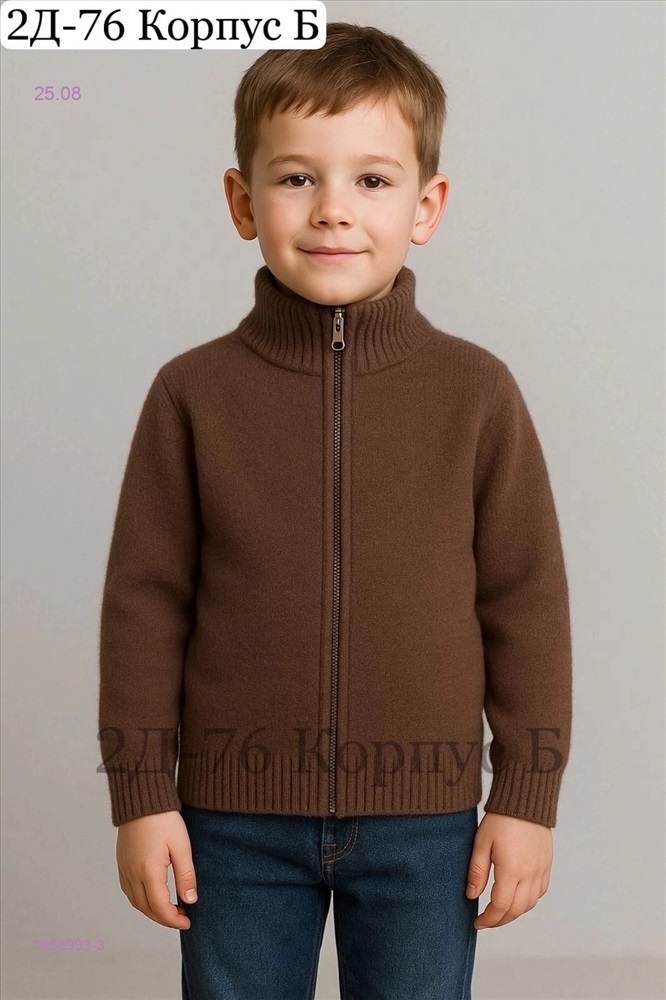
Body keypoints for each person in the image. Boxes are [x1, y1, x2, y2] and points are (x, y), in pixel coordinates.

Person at [98, 21, 573, 1000]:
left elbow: (526, 606)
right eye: (295, 177)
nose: (332, 211)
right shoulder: (191, 396)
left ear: (426, 205)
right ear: (243, 200)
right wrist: (140, 796)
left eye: (372, 179)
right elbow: (143, 608)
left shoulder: (477, 394)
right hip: (231, 822)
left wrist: (527, 796)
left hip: (425, 824)